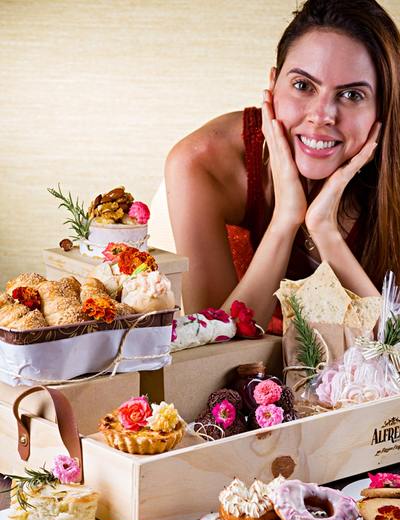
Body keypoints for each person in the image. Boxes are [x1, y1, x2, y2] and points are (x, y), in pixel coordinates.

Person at [165, 0, 400, 333]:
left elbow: (393, 354)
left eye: (351, 95)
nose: (321, 116)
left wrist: (325, 231)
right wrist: (284, 221)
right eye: (303, 86)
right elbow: (210, 348)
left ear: (384, 105)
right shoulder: (202, 161)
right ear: (273, 84)